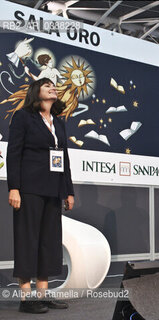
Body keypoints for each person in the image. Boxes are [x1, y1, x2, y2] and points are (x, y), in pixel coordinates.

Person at [7, 78, 74, 314]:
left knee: (49, 242)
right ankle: (26, 299)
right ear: (37, 92)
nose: (53, 88)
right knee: (28, 240)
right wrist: (13, 188)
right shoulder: (23, 117)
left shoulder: (59, 123)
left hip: (53, 190)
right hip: (29, 188)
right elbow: (13, 153)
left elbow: (64, 159)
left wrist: (68, 190)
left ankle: (42, 296)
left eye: (54, 86)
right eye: (48, 86)